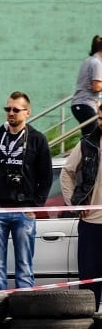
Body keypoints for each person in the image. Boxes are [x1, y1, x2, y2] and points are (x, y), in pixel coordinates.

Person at [0, 91, 53, 291]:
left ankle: (23, 311)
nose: (11, 113)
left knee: (25, 266)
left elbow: (46, 177)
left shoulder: (37, 139)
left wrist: (35, 205)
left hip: (24, 210)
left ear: (27, 112)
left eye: (16, 110)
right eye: (8, 109)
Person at [61, 102, 102, 310]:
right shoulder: (88, 143)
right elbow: (67, 172)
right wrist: (74, 203)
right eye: (100, 118)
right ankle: (90, 321)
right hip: (91, 222)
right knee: (89, 278)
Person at [71, 35, 102, 137]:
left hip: (82, 104)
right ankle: (86, 152)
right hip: (85, 104)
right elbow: (96, 87)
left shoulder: (89, 61)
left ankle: (86, 152)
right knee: (93, 136)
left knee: (89, 135)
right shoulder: (97, 63)